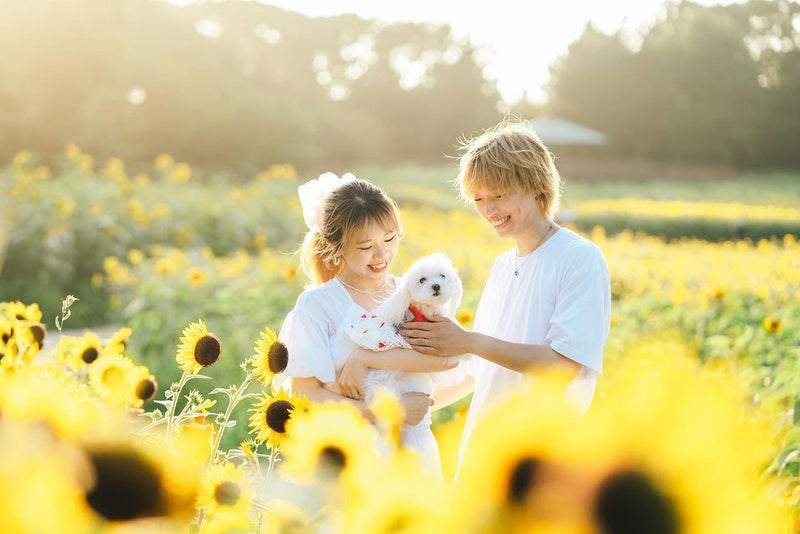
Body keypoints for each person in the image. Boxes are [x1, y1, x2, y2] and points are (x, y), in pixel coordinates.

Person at [397, 120, 612, 477]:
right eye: (479, 199)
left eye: (499, 195)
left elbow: (564, 365)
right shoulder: (501, 266)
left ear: (535, 184)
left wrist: (468, 341)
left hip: (542, 461)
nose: (489, 210)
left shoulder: (579, 258)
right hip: (485, 455)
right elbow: (481, 373)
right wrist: (401, 408)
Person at [274, 172, 458, 478]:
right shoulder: (318, 305)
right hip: (351, 456)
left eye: (389, 238)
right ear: (336, 246)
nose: (382, 254)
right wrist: (387, 412)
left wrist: (367, 358)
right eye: (365, 246)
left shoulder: (415, 293)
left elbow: (447, 357)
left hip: (415, 454)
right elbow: (304, 392)